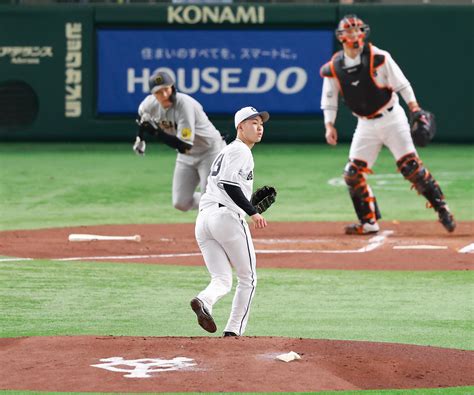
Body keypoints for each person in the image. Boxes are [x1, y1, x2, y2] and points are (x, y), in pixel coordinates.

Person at [320, 14, 455, 235]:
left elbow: (402, 85)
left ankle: (442, 209)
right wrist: (329, 125)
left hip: (392, 118)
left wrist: (415, 109)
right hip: (365, 125)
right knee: (352, 174)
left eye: (357, 30)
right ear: (342, 36)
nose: (355, 34)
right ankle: (369, 222)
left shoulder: (379, 57)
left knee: (411, 168)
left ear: (363, 32)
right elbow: (329, 99)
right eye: (350, 30)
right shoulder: (334, 67)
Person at [190, 106, 270, 337]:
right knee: (249, 278)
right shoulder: (241, 150)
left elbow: (224, 185)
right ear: (240, 127)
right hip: (225, 220)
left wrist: (246, 204)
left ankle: (204, 300)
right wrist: (252, 211)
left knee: (222, 279)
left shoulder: (227, 151)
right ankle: (233, 331)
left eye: (261, 124)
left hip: (204, 220)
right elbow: (228, 183)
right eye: (253, 122)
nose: (259, 127)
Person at [133, 71, 226, 211]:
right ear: (153, 94)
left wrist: (155, 132)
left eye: (166, 89)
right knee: (180, 203)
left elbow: (184, 146)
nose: (164, 94)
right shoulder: (148, 105)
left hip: (210, 152)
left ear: (172, 87)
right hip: (187, 157)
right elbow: (143, 119)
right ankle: (223, 201)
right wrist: (140, 138)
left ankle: (226, 203)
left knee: (209, 201)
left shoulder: (184, 105)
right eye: (158, 92)